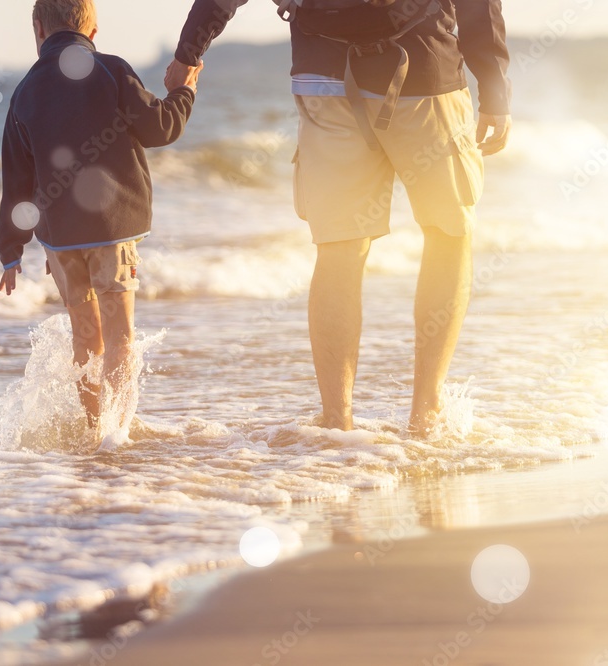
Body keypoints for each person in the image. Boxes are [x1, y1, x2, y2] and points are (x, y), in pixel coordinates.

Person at [169, 0, 511, 434]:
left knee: (339, 249)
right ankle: (426, 413)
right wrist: (494, 84)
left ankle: (336, 421)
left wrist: (189, 53)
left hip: (323, 77)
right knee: (448, 233)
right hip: (425, 75)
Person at [0, 0, 203, 443]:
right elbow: (160, 128)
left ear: (38, 29)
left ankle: (95, 430)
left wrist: (11, 251)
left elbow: (16, 179)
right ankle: (117, 436)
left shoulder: (25, 91)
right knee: (120, 334)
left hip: (60, 239)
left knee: (84, 336)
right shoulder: (111, 69)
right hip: (113, 229)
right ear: (92, 31)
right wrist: (184, 91)